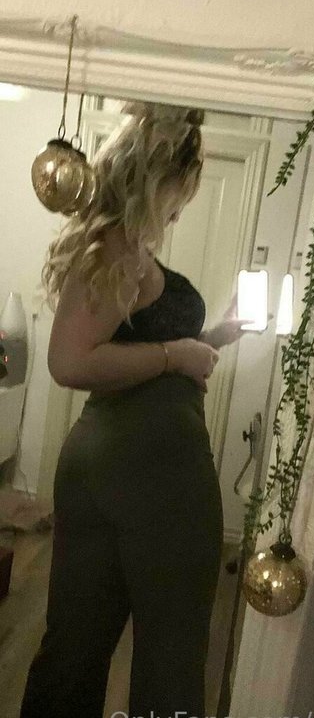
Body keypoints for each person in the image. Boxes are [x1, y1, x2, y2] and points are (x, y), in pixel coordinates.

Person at [20, 100, 253, 718]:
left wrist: (214, 337)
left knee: (75, 644)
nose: (182, 208)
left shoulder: (122, 251)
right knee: (170, 654)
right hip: (157, 469)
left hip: (107, 461)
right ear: (159, 181)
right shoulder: (117, 250)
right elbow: (71, 362)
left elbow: (130, 349)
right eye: (183, 191)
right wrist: (177, 355)